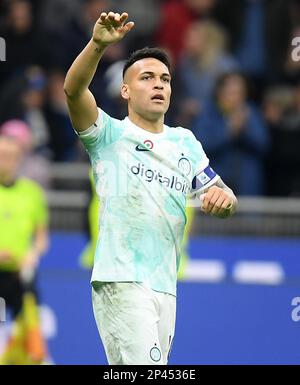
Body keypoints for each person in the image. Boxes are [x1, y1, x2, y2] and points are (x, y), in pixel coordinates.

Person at [64, 11, 237, 365]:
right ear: (125, 90)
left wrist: (227, 200)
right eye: (147, 77)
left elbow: (220, 193)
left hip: (165, 284)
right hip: (123, 278)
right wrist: (97, 45)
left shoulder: (185, 143)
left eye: (165, 79)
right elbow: (73, 90)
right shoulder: (109, 135)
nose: (159, 84)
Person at [0, 120, 49, 364]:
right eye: (2, 155)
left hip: (22, 279)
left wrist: (32, 253)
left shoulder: (32, 192)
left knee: (30, 341)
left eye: (10, 156)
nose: (5, 160)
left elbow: (41, 238)